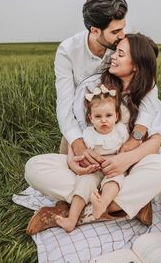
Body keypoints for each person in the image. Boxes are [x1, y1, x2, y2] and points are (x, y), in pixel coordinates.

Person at [25, 33, 161, 235]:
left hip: (126, 171)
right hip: (91, 167)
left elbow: (155, 142)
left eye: (120, 54)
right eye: (116, 52)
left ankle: (78, 211)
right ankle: (121, 206)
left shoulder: (148, 93)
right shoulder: (92, 87)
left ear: (136, 66)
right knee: (34, 167)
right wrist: (72, 161)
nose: (113, 57)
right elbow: (76, 132)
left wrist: (125, 159)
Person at [55, 0, 128, 162]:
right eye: (116, 31)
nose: (123, 35)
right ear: (95, 31)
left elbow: (147, 86)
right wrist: (77, 143)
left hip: (120, 121)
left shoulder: (124, 44)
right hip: (82, 123)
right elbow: (64, 105)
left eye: (123, 28)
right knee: (69, 168)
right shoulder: (67, 51)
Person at [55, 84, 129, 232]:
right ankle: (72, 219)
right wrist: (76, 161)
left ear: (116, 116)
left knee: (114, 182)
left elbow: (126, 150)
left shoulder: (120, 130)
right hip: (94, 169)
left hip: (114, 166)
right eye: (98, 116)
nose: (103, 120)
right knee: (83, 184)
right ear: (90, 118)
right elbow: (75, 146)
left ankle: (101, 205)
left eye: (108, 115)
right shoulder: (88, 133)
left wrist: (122, 161)